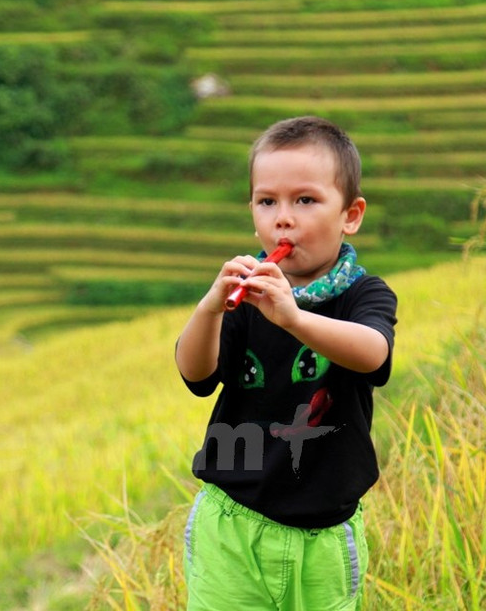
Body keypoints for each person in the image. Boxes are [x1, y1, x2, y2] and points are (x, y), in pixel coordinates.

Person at [175, 116, 397, 611]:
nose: (283, 218)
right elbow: (196, 373)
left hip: (324, 538)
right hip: (231, 525)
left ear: (351, 215)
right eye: (267, 201)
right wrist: (209, 309)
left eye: (305, 200)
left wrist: (294, 318)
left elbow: (374, 353)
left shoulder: (364, 294)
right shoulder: (245, 296)